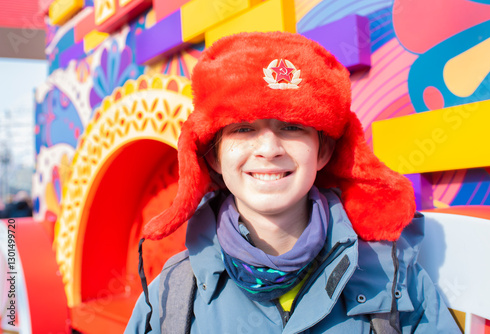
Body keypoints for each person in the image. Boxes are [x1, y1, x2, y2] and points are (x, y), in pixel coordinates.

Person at [126, 32, 460, 333]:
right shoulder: (171, 297)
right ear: (213, 156)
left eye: (291, 127)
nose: (269, 149)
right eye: (243, 128)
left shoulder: (391, 277)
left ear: (323, 151)